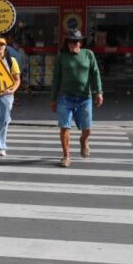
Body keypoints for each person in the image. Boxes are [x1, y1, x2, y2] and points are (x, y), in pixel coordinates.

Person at [50, 29, 104, 168]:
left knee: (87, 129)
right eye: (69, 41)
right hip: (65, 97)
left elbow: (95, 74)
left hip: (84, 98)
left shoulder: (88, 54)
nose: (72, 44)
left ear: (80, 42)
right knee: (64, 127)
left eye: (75, 41)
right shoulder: (62, 56)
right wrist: (53, 98)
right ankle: (66, 156)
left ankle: (83, 140)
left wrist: (99, 92)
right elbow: (56, 78)